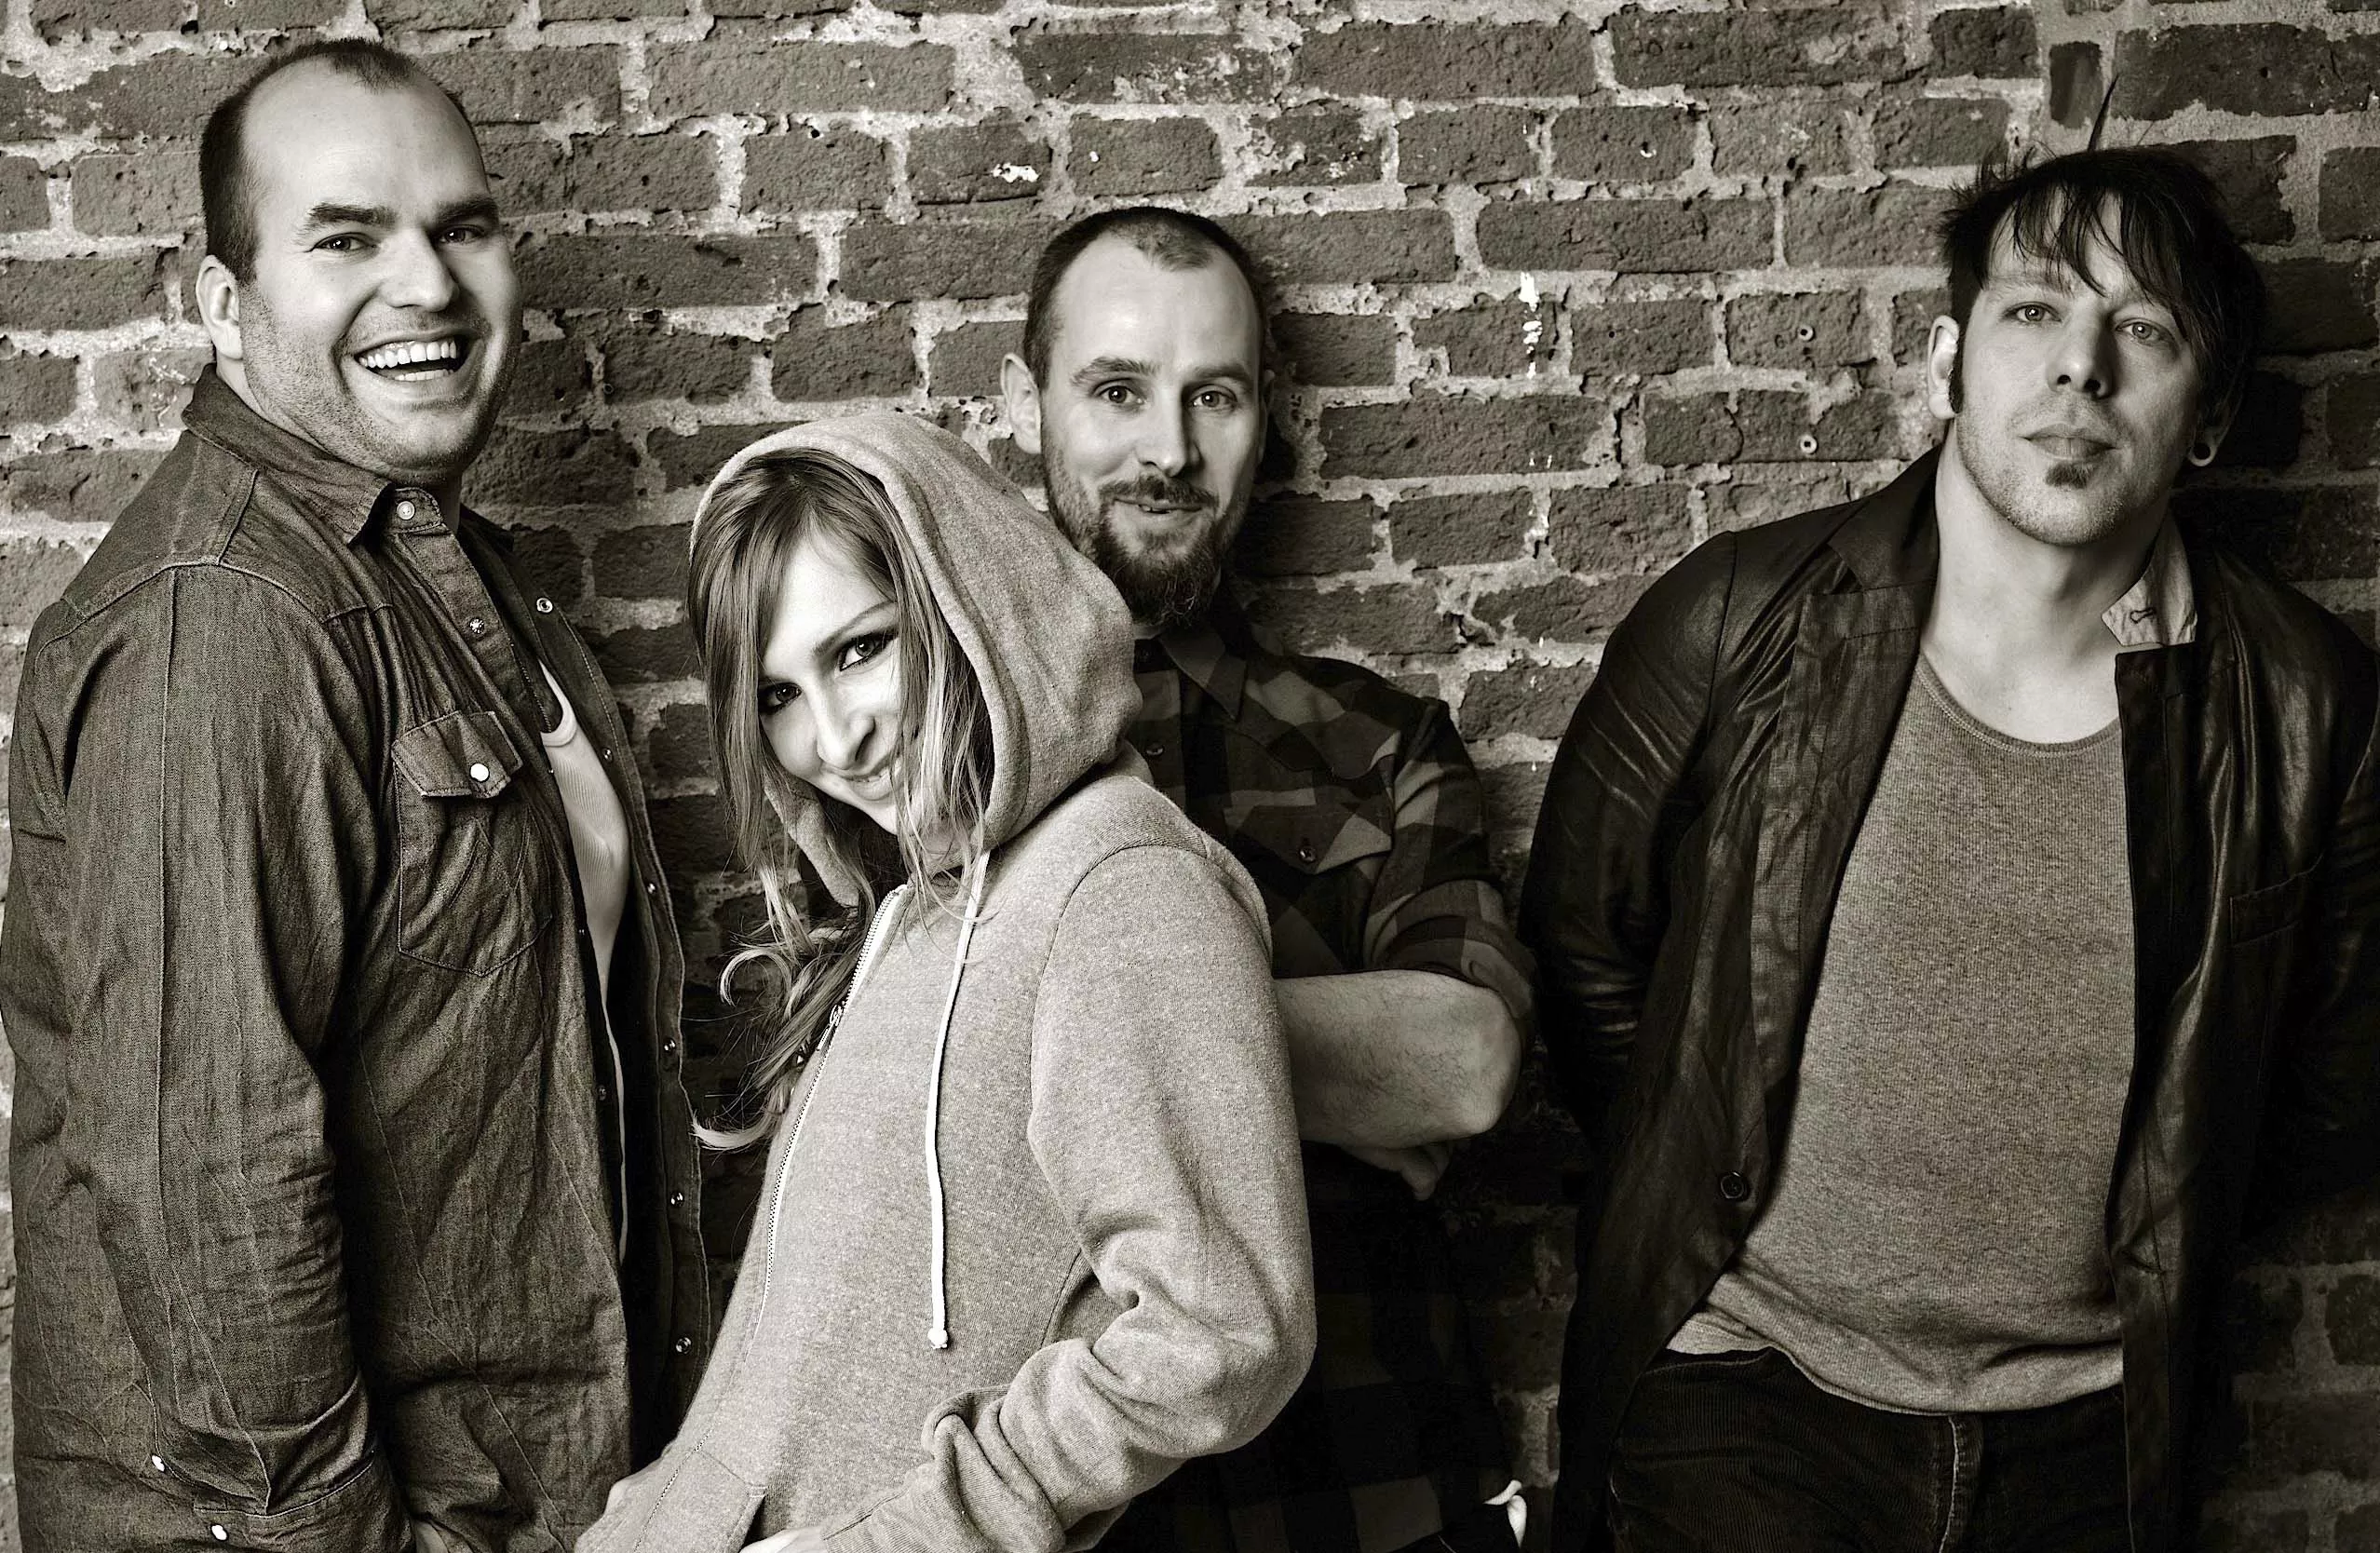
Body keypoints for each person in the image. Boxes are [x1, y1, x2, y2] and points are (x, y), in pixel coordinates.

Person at [1521, 147, 2380, 1553]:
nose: (2082, 368)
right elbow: (1585, 955)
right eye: (2035, 311)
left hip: (2094, 1438)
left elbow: (2329, 1086)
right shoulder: (1738, 620)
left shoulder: (2308, 707)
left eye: (2146, 329)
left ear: (2209, 420)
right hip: (1744, 1396)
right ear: (1945, 363)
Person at [0, 41, 708, 1552]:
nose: (429, 286)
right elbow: (210, 1187)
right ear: (223, 303)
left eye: (462, 227)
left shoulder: (441, 576)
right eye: (346, 238)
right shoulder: (229, 617)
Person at [583, 411, 1315, 1553]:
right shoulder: (915, 911)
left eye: (858, 649)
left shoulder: (1120, 881)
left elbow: (1220, 1327)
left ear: (967, 601)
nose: (835, 739)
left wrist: (918, 1535)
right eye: (776, 696)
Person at [999, 207, 1535, 1553]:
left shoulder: (1378, 744)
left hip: (1369, 1492)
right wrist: (1322, 1079)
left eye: (1214, 397)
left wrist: (1052, 1049)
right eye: (1118, 391)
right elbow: (893, 1105)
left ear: (1264, 418)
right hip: (1051, 1504)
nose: (1170, 451)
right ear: (1027, 401)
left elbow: (1467, 1067)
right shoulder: (929, 758)